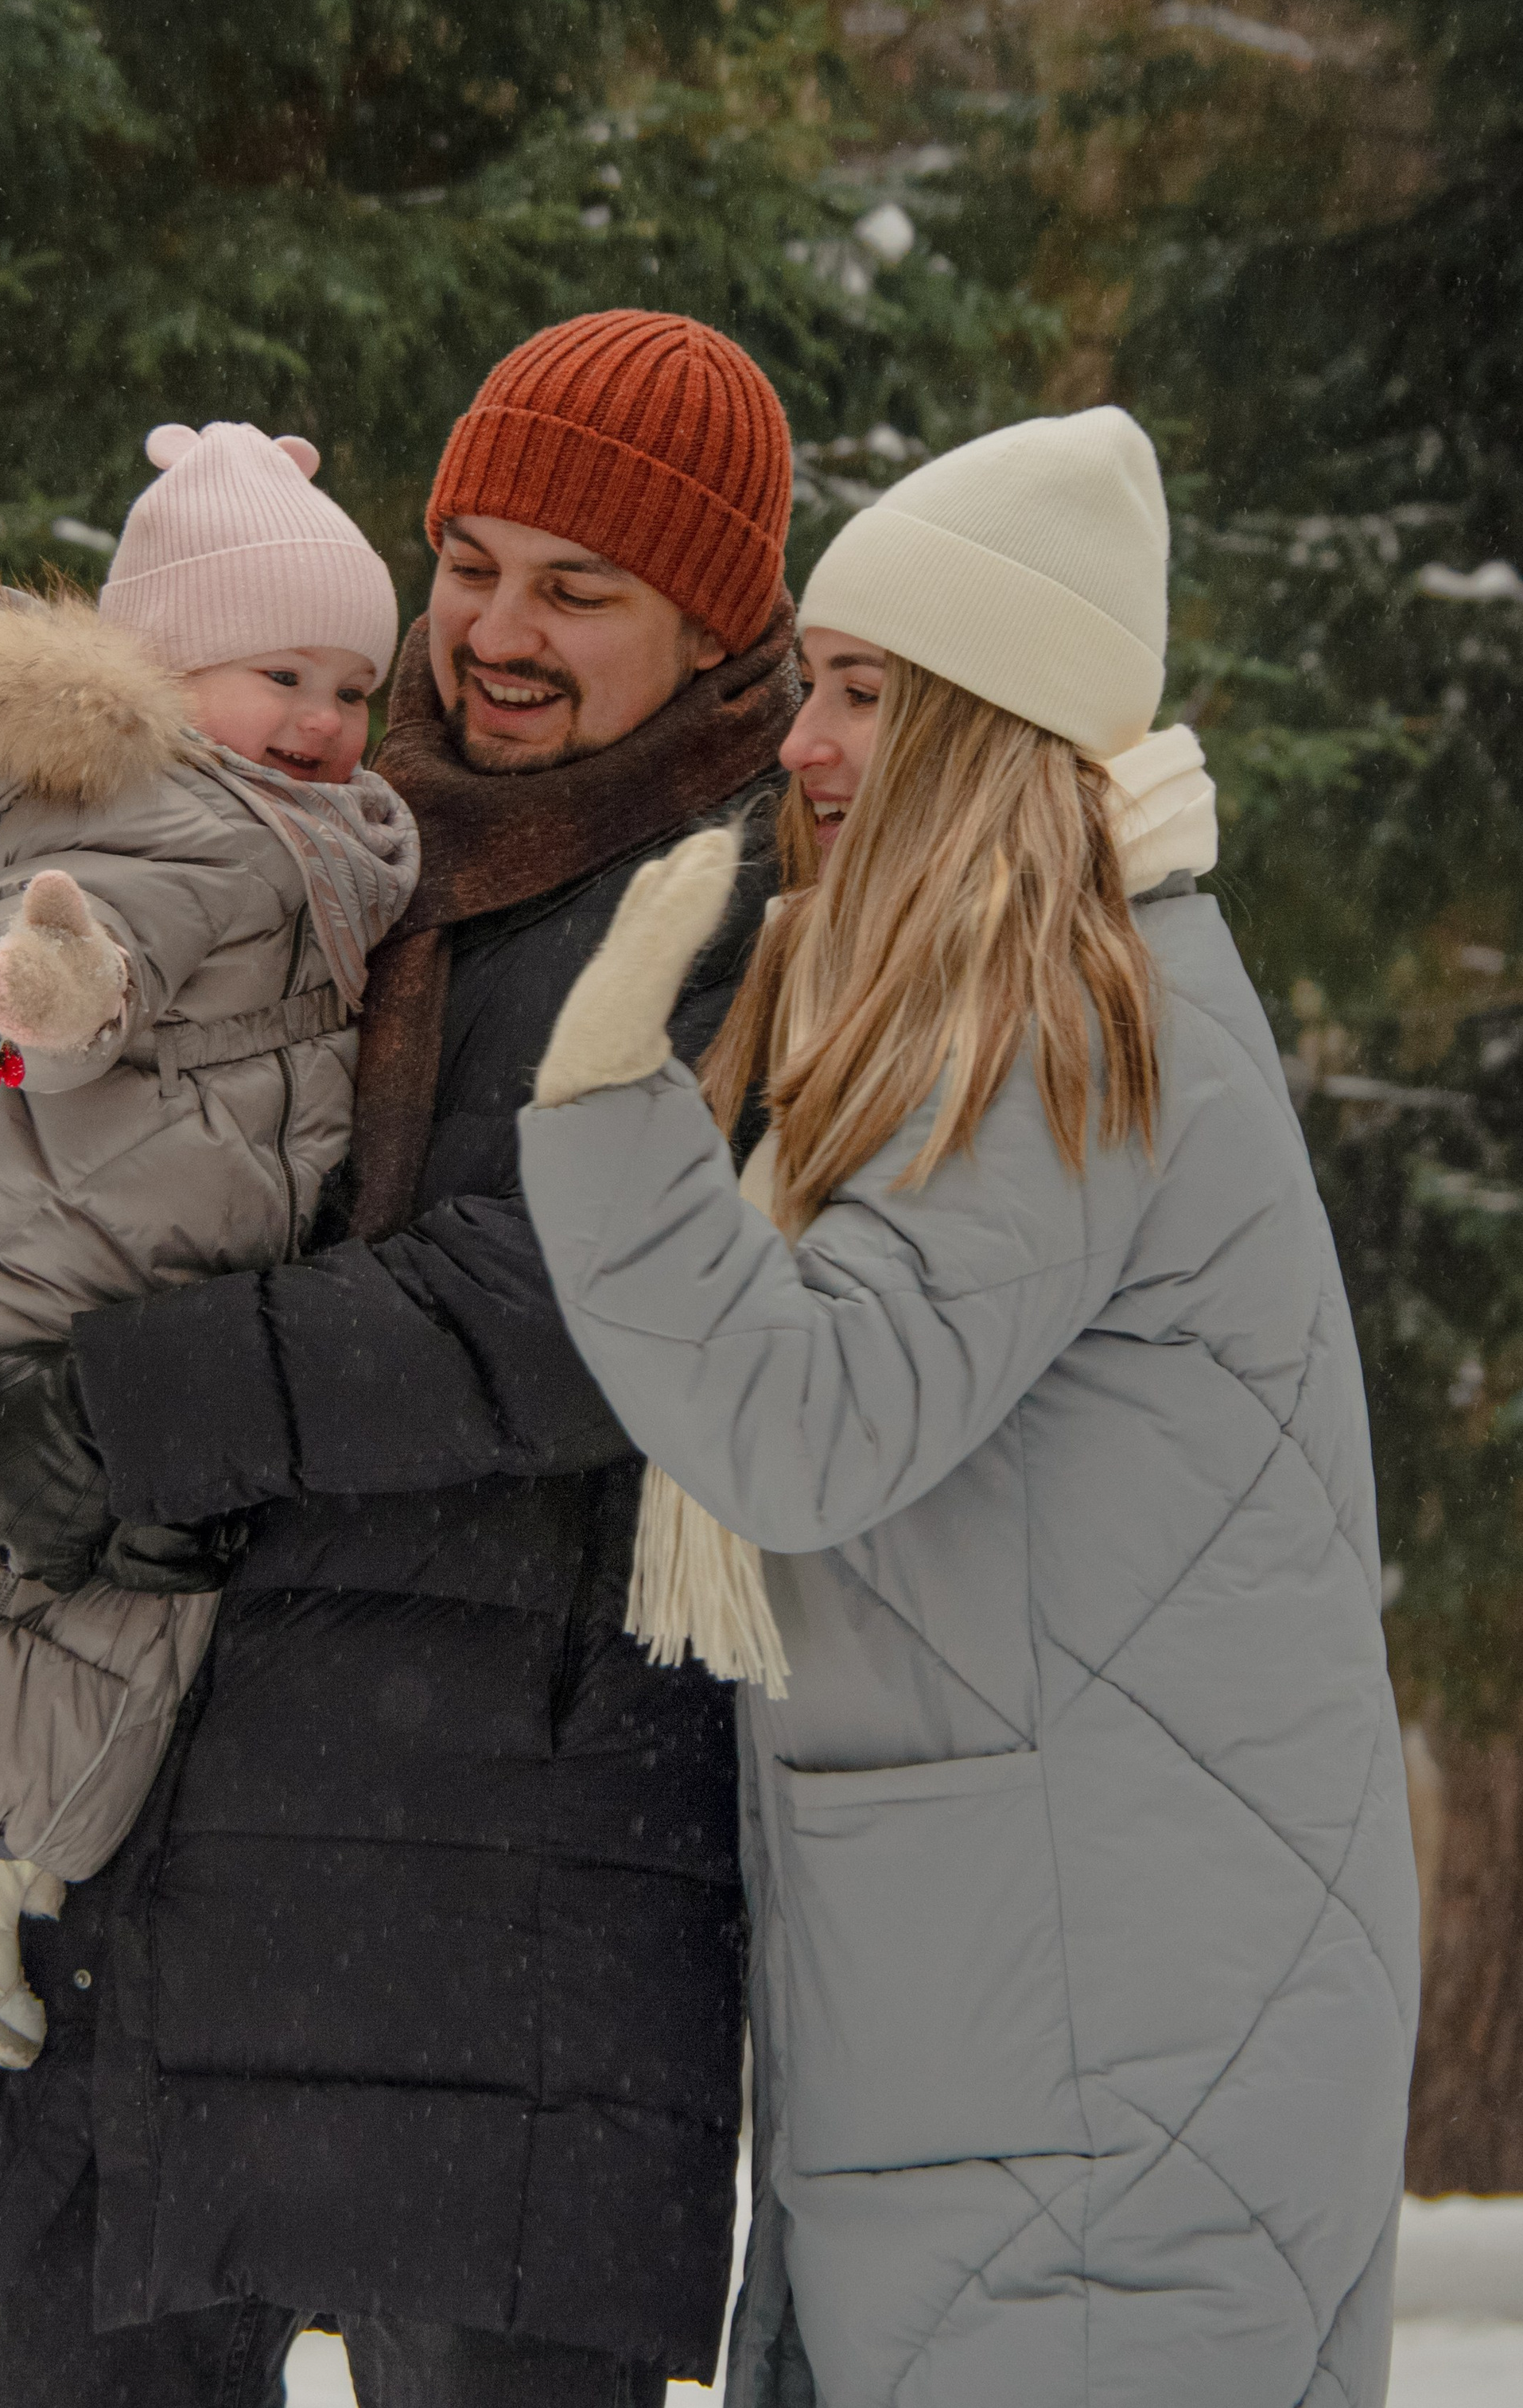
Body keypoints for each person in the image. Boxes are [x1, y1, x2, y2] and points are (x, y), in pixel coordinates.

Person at [0, 311, 804, 2406]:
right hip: (163, 1847)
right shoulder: (297, 810)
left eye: (580, 586)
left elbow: (565, 1308)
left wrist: (111, 1411)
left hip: (495, 1875)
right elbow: (15, 1115)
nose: (497, 631)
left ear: (716, 620)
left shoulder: (753, 895)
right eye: (470, 562)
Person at [518, 405, 1421, 2407]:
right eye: (811, 686)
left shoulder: (1066, 1005)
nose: (801, 743)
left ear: (977, 721)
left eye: (858, 694)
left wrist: (598, 1109)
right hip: (1055, 2024)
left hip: (1101, 2061)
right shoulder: (1019, 983)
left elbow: (801, 1420)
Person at [0, 422, 418, 2069]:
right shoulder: (184, 823)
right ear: (161, 675)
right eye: (278, 674)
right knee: (134, 1583)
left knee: (36, 1510)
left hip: (58, 1227)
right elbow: (79, 960)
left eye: (352, 688)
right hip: (88, 1223)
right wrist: (57, 998)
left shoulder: (265, 809)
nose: (320, 721)